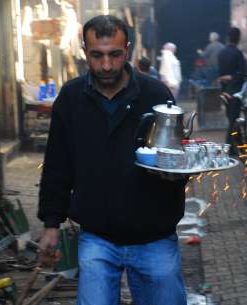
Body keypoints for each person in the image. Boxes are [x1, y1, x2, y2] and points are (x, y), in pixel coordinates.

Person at [37, 15, 187, 305]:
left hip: (153, 236)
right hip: (97, 237)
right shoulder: (71, 98)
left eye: (114, 55)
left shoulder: (156, 96)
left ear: (127, 51)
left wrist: (177, 174)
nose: (106, 65)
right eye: (97, 55)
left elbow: (177, 158)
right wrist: (51, 224)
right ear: (85, 52)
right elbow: (57, 164)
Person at [217, 27, 247, 153]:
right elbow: (243, 73)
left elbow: (219, 72)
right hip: (235, 89)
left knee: (231, 117)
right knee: (234, 119)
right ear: (238, 38)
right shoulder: (238, 53)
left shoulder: (221, 53)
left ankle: (239, 145)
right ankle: (230, 147)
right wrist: (233, 77)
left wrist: (225, 77)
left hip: (224, 90)